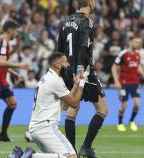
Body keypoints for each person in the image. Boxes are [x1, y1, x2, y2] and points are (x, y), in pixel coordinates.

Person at [8, 53, 89, 158]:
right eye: (66, 62)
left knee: (72, 155)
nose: (68, 65)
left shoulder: (47, 78)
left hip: (37, 128)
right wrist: (82, 81)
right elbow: (73, 103)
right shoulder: (55, 81)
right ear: (58, 65)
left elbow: (65, 106)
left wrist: (75, 86)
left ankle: (30, 155)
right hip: (46, 128)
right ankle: (31, 156)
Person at [57, 0, 109, 157]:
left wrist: (63, 71)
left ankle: (71, 151)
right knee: (103, 109)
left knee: (72, 109)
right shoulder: (86, 20)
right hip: (84, 70)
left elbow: (59, 49)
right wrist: (81, 69)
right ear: (89, 2)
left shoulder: (66, 21)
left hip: (67, 70)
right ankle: (85, 147)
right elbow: (84, 47)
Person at [111, 37, 144, 132]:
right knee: (124, 105)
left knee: (137, 105)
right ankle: (120, 123)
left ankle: (131, 121)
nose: (138, 44)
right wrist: (116, 81)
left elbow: (138, 66)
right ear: (130, 42)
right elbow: (114, 67)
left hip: (134, 82)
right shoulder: (123, 53)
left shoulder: (137, 54)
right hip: (123, 83)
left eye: (139, 42)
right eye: (136, 42)